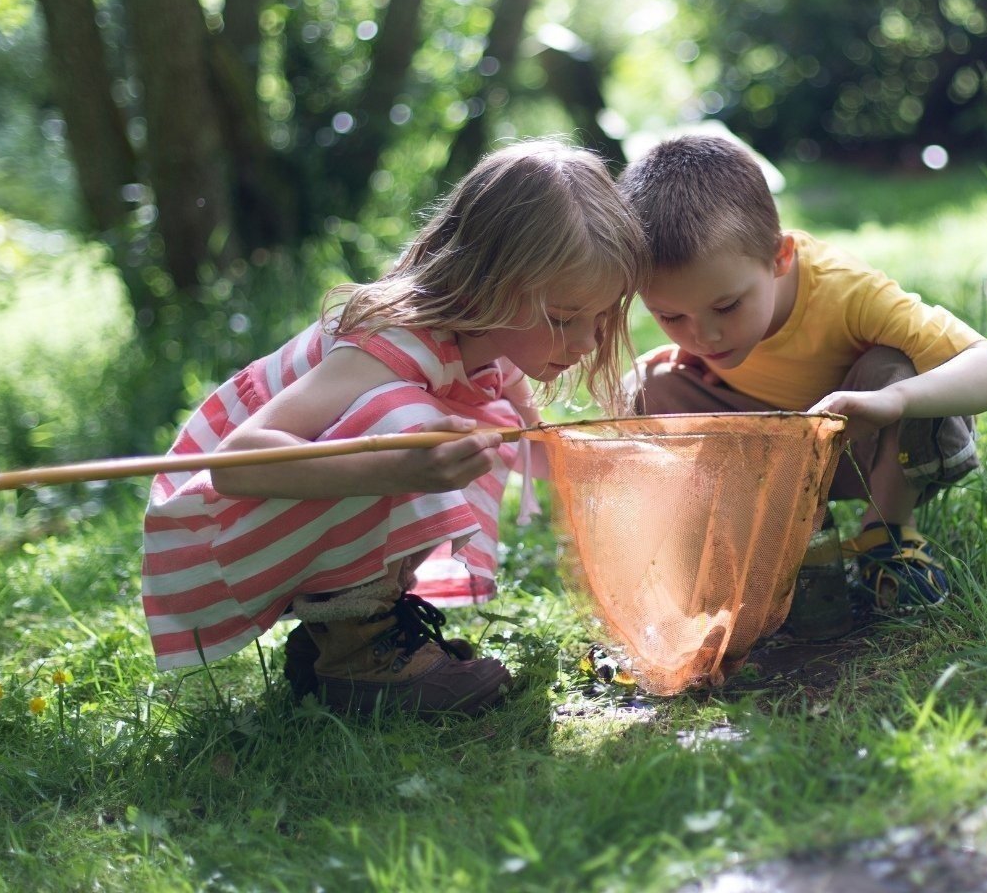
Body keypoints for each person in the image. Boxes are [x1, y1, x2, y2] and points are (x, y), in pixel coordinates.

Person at [143, 140, 647, 719]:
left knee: (480, 427)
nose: (585, 344)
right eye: (562, 318)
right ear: (491, 280)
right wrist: (401, 467)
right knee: (413, 426)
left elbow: (539, 449)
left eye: (601, 318)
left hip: (270, 524)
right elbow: (238, 464)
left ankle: (340, 638)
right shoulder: (391, 346)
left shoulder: (494, 344)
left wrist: (614, 468)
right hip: (208, 532)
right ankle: (360, 657)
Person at [619, 133, 987, 611]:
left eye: (726, 307)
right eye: (671, 318)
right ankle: (761, 541)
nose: (704, 337)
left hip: (866, 450)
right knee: (649, 386)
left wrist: (894, 401)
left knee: (894, 367)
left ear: (780, 256)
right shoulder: (707, 321)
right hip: (776, 457)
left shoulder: (846, 291)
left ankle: (886, 537)